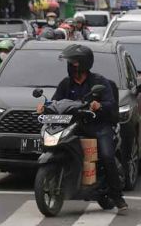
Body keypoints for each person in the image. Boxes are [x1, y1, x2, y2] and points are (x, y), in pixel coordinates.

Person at [38, 44, 127, 214]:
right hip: (74, 126)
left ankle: (117, 196)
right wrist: (45, 107)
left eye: (74, 62)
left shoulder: (100, 83)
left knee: (107, 157)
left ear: (83, 63)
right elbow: (56, 102)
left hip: (98, 126)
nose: (71, 66)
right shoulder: (65, 83)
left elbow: (110, 104)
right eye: (69, 63)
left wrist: (98, 105)